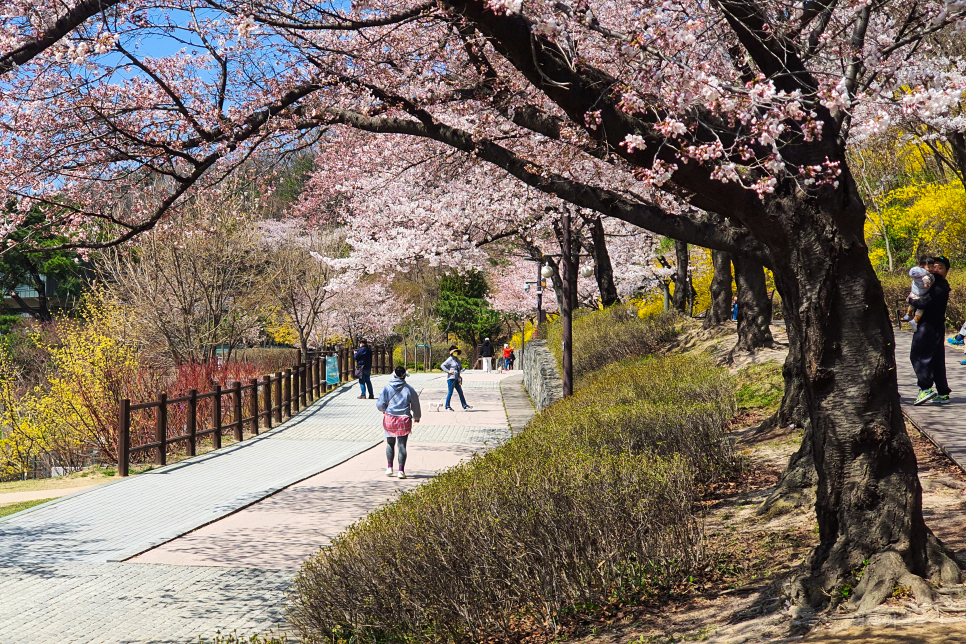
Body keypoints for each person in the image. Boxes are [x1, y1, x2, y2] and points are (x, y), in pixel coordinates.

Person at [909, 255, 952, 405]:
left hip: (929, 327)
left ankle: (925, 389)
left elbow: (923, 303)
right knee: (937, 360)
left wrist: (911, 300)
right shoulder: (933, 283)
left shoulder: (939, 286)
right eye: (934, 266)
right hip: (936, 326)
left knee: (919, 356)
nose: (936, 270)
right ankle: (942, 392)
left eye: (941, 268)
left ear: (946, 271)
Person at [376, 366, 421, 479]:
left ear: (394, 375)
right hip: (404, 419)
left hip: (390, 418)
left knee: (390, 443)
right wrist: (417, 416)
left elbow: (380, 404)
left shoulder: (387, 388)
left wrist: (383, 410)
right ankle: (401, 471)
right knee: (402, 445)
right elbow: (415, 404)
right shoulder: (409, 389)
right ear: (405, 376)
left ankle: (389, 468)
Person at [904, 256, 935, 327]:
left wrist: (909, 296)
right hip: (920, 295)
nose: (931, 269)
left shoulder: (916, 276)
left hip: (913, 293)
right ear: (922, 267)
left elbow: (913, 284)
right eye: (929, 267)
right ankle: (915, 320)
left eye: (932, 267)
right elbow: (926, 280)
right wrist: (926, 284)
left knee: (911, 305)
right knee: (920, 309)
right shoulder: (926, 275)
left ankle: (908, 314)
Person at [441, 345, 472, 411]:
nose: (456, 353)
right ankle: (447, 406)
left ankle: (464, 405)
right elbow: (442, 366)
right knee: (450, 392)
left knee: (460, 392)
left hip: (457, 378)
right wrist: (448, 371)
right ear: (451, 352)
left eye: (456, 352)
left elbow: (459, 368)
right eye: (454, 352)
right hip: (451, 379)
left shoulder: (457, 360)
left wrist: (462, 369)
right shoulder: (449, 359)